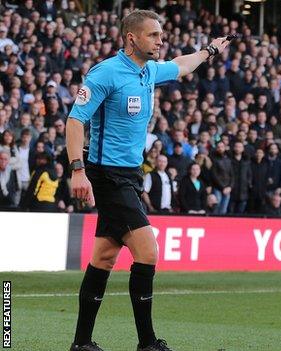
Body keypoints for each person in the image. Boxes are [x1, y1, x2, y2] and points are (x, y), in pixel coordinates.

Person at [66, 10, 230, 351]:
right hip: (107, 175)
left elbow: (182, 65)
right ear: (132, 38)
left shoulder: (149, 72)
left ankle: (82, 344)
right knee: (148, 250)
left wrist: (210, 51)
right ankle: (147, 343)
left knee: (104, 257)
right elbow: (75, 119)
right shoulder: (106, 73)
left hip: (129, 176)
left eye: (160, 34)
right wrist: (77, 170)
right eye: (153, 35)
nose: (160, 40)